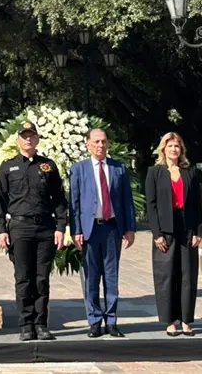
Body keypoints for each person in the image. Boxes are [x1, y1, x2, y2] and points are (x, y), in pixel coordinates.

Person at [0, 122, 68, 342]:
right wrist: (2, 230)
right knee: (23, 278)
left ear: (37, 139)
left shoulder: (48, 166)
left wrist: (61, 227)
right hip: (20, 228)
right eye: (24, 136)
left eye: (31, 136)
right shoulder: (8, 167)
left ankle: (41, 323)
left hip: (45, 228)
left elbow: (59, 199)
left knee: (42, 278)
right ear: (18, 140)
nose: (28, 139)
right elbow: (0, 200)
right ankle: (26, 324)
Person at [69, 128, 136, 338]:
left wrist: (130, 228)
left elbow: (127, 200)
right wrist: (76, 230)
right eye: (96, 142)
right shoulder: (79, 169)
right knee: (91, 277)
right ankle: (94, 321)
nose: (100, 145)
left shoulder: (118, 168)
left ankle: (112, 321)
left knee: (111, 276)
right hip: (90, 229)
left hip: (112, 228)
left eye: (104, 142)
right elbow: (74, 202)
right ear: (88, 144)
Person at [145, 132, 202, 337]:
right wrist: (157, 233)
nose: (173, 150)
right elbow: (151, 205)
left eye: (177, 146)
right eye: (169, 146)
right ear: (163, 149)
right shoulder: (154, 172)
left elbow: (196, 203)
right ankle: (169, 321)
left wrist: (199, 231)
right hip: (165, 230)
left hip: (187, 228)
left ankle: (186, 320)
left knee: (188, 275)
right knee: (166, 275)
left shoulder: (190, 172)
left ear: (181, 150)